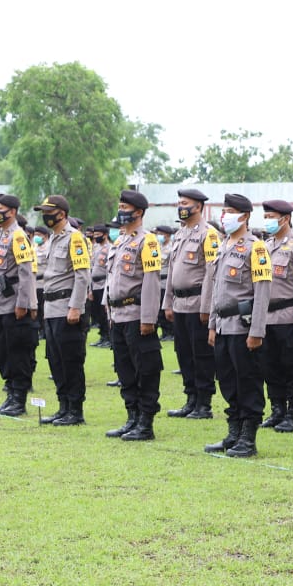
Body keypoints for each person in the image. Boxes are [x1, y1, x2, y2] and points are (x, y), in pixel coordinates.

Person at [204, 194, 271, 457]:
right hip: (222, 325)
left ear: (244, 216)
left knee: (248, 381)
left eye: (230, 211)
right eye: (224, 210)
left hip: (243, 328)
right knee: (228, 381)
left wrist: (257, 331)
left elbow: (263, 291)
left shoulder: (256, 247)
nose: (224, 215)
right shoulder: (223, 246)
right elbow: (216, 291)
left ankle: (248, 437)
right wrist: (211, 324)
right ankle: (233, 432)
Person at [103, 189, 163, 441]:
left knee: (145, 370)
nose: (121, 211)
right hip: (118, 315)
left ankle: (145, 423)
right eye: (120, 206)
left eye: (125, 207)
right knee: (125, 370)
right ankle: (132, 417)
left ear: (138, 212)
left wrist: (149, 318)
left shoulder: (147, 242)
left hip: (137, 316)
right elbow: (110, 280)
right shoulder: (120, 241)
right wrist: (109, 310)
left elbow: (151, 282)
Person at [256, 200, 293, 434]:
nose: (269, 221)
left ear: (285, 219)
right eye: (266, 216)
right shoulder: (265, 245)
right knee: (270, 367)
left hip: (289, 316)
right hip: (267, 317)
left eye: (272, 216)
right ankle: (277, 410)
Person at [33, 196, 91, 426]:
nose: (45, 215)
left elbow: (82, 275)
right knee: (56, 361)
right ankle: (63, 406)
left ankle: (75, 410)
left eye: (49, 211)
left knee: (70, 361)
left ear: (62, 213)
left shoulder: (74, 238)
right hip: (51, 309)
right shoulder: (54, 239)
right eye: (43, 211)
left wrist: (76, 307)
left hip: (67, 308)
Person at [163, 188, 220, 420]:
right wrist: (168, 302)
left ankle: (204, 404)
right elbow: (171, 271)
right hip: (179, 303)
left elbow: (211, 273)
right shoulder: (180, 234)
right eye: (179, 202)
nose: (180, 206)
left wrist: (207, 308)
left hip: (198, 303)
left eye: (185, 203)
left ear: (198, 207)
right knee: (184, 353)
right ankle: (191, 399)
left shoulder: (209, 235)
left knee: (201, 355)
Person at [0, 193, 38, 416]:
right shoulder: (3, 236)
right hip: (0, 303)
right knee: (4, 351)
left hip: (14, 304)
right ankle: (10, 396)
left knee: (18, 353)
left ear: (12, 212)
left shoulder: (17, 236)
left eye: (1, 208)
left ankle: (19, 400)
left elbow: (26, 272)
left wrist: (23, 303)